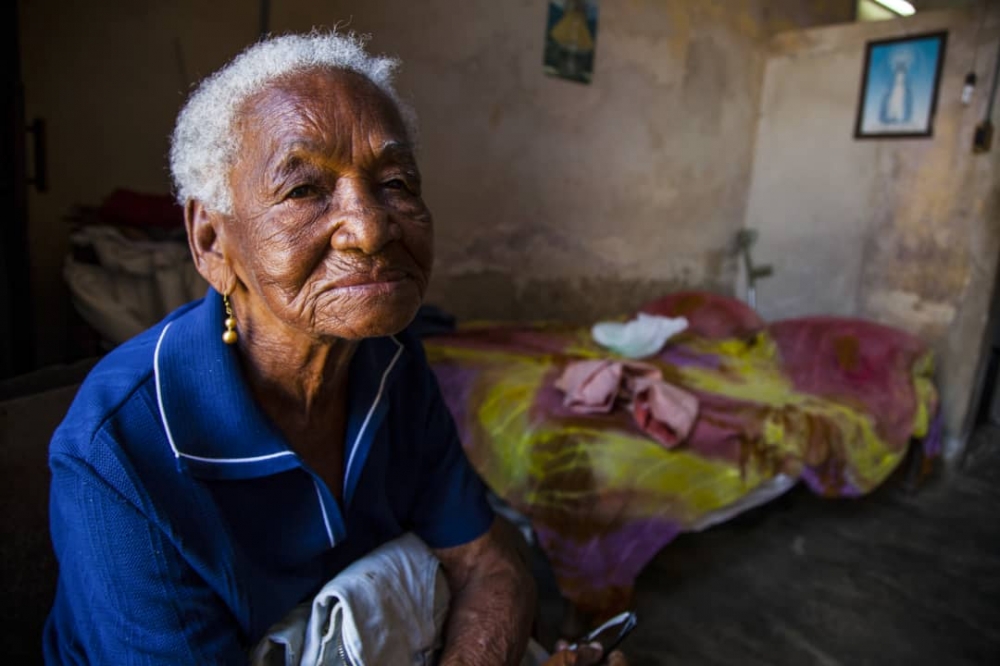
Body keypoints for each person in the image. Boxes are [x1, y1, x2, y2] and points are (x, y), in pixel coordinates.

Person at [43, 30, 627, 666]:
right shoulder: (118, 451)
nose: (370, 228)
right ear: (211, 242)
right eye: (303, 191)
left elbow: (489, 563)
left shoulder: (391, 360)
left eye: (396, 182)